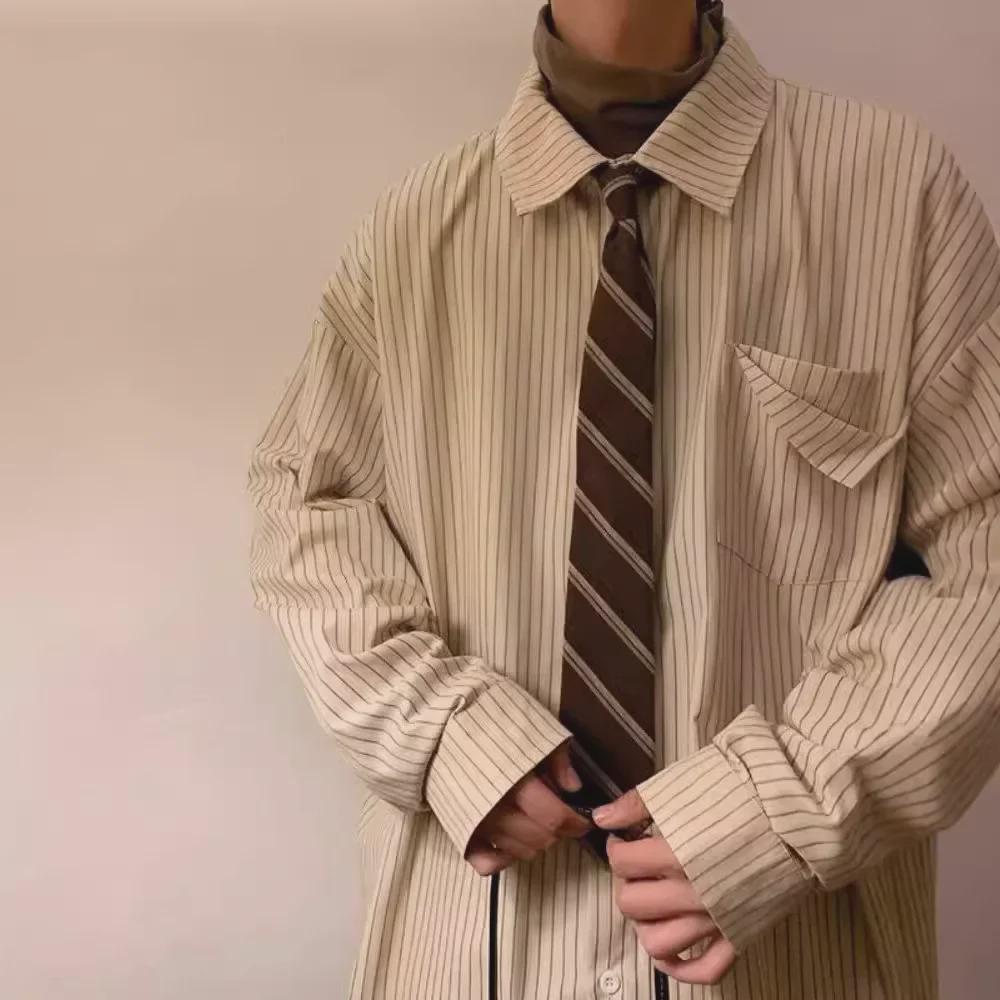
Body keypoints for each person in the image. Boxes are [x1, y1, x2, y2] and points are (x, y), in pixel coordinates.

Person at [245, 1, 1000, 997]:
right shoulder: (409, 241)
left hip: (787, 959)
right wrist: (445, 732)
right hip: (469, 949)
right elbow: (307, 512)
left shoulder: (896, 198)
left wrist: (778, 807)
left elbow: (982, 554)